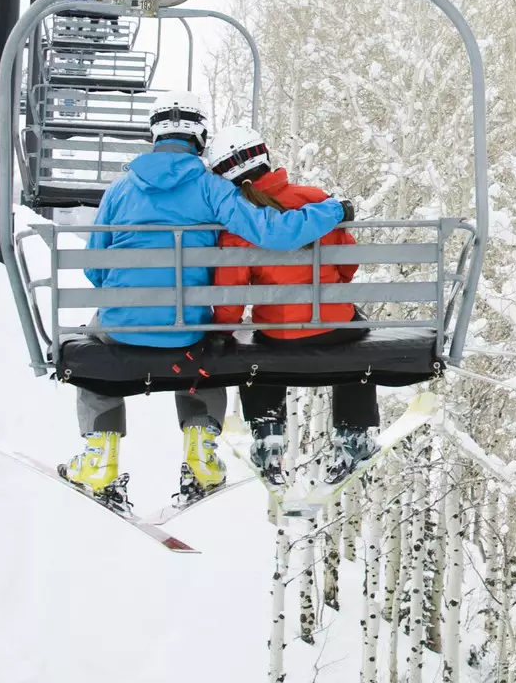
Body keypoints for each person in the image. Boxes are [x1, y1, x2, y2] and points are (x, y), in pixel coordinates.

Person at [64, 93, 348, 508]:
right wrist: (333, 211)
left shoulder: (120, 190)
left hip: (123, 326)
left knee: (94, 346)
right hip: (187, 327)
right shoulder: (213, 189)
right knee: (203, 344)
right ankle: (200, 454)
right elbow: (275, 234)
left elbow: (94, 268)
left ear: (154, 134)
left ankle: (98, 459)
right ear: (199, 136)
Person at [205, 124, 381, 486]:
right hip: (333, 327)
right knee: (356, 336)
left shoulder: (239, 223)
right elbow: (347, 261)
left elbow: (231, 291)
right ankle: (355, 434)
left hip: (277, 332)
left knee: (251, 344)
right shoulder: (315, 201)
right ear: (265, 156)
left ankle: (268, 436)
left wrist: (224, 328)